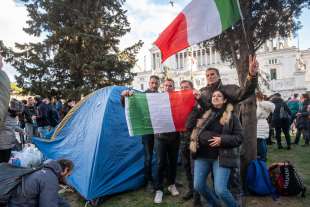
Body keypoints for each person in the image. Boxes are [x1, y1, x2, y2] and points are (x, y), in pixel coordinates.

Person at [188, 89, 243, 207]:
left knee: (221, 190)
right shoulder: (206, 114)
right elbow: (193, 128)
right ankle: (215, 204)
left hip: (221, 157)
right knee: (198, 186)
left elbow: (239, 138)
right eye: (213, 96)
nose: (215, 97)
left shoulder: (232, 117)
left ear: (224, 100)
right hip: (202, 156)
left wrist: (222, 140)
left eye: (219, 96)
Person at [121, 75, 160, 192]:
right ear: (149, 83)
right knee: (148, 158)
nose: (154, 85)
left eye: (156, 83)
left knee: (161, 157)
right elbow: (127, 105)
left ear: (159, 84)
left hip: (159, 132)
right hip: (147, 131)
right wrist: (124, 96)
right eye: (152, 83)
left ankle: (164, 178)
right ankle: (148, 181)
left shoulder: (161, 96)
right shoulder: (141, 96)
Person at [154, 78, 180, 204]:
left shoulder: (177, 99)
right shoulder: (156, 99)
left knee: (173, 162)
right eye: (166, 85)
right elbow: (150, 113)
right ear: (162, 87)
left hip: (174, 137)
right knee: (160, 163)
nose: (168, 87)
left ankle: (171, 184)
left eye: (170, 85)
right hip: (160, 138)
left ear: (173, 88)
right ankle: (159, 189)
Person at [9, 159, 74, 207]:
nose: (67, 178)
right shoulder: (50, 178)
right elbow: (48, 204)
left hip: (15, 202)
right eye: (68, 175)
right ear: (66, 170)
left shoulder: (44, 170)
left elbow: (53, 196)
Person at [178, 80, 202, 207]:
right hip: (182, 139)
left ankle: (197, 198)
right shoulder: (179, 103)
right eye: (181, 87)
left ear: (192, 89)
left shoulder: (198, 102)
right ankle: (191, 190)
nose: (183, 89)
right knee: (186, 166)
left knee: (195, 169)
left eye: (186, 87)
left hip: (194, 140)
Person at [256, 92, 275, 161]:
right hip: (263, 123)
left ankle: (262, 157)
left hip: (259, 124)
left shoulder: (260, 104)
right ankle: (263, 156)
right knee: (262, 141)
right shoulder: (266, 104)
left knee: (260, 141)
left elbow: (256, 114)